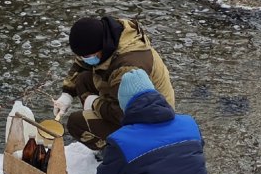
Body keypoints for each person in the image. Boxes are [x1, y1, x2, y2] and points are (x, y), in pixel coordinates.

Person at [53, 16, 175, 151]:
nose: (83, 59)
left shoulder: (127, 68)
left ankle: (115, 150)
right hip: (126, 97)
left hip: (150, 120)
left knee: (76, 123)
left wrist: (95, 104)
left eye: (87, 56)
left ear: (101, 49)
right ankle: (104, 128)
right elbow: (82, 62)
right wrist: (67, 94)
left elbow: (122, 113)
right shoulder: (109, 36)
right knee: (82, 80)